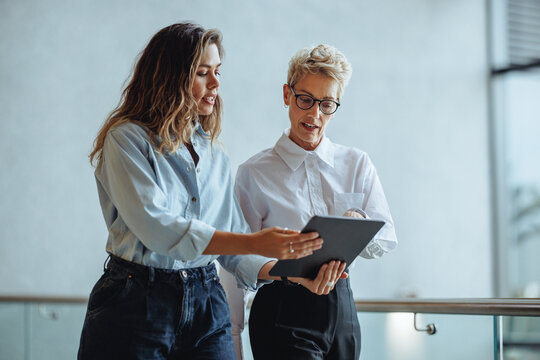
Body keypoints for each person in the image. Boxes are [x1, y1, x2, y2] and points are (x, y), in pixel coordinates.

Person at [77, 23, 340, 360]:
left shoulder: (214, 150)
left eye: (217, 72)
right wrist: (255, 241)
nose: (215, 84)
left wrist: (292, 276)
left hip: (207, 300)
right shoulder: (126, 140)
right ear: (169, 77)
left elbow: (234, 246)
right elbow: (159, 228)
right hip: (135, 301)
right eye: (202, 73)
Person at [233, 44, 398, 359]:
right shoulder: (253, 173)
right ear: (287, 95)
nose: (314, 114)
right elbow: (239, 259)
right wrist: (290, 272)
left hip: (343, 306)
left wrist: (359, 223)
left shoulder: (357, 163)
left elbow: (387, 237)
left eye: (326, 104)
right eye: (305, 100)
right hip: (283, 307)